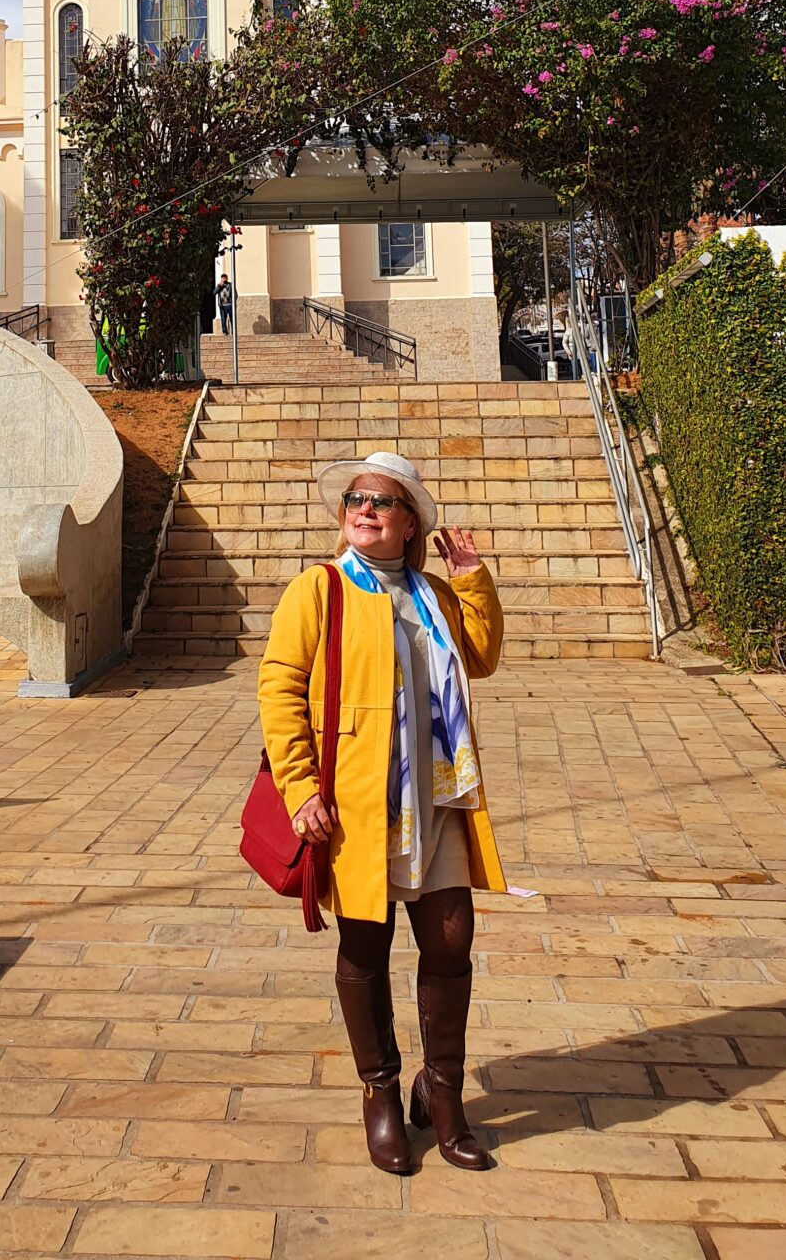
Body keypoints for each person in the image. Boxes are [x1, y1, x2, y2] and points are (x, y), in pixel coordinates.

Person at [257, 451, 506, 1176]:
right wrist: (301, 788)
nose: (364, 509)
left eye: (382, 501)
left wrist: (470, 581)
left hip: (438, 799)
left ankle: (445, 1094)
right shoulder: (321, 589)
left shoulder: (434, 592)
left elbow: (483, 656)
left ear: (411, 525)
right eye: (355, 499)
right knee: (365, 948)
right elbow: (280, 687)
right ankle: (382, 1094)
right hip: (360, 804)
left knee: (451, 942)